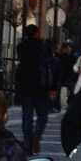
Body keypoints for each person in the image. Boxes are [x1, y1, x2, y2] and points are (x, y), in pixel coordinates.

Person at [15, 23, 54, 152]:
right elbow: (50, 65)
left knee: (27, 117)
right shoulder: (44, 46)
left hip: (26, 85)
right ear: (37, 33)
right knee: (42, 115)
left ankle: (28, 143)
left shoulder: (21, 47)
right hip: (40, 85)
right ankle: (37, 135)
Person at [55, 42, 76, 110]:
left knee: (72, 90)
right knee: (58, 91)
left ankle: (69, 103)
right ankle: (58, 106)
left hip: (68, 75)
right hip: (62, 76)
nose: (64, 50)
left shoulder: (70, 57)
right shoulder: (60, 56)